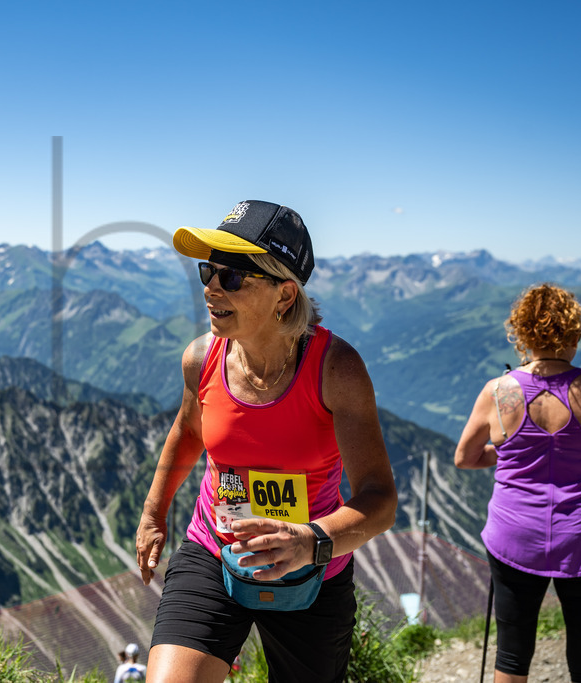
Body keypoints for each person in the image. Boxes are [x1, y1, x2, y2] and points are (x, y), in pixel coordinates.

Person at [135, 200, 398, 683]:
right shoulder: (201, 359)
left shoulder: (336, 370)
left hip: (313, 571)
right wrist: (154, 513)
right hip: (214, 550)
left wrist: (312, 541)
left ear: (284, 295)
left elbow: (380, 501)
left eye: (232, 277)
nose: (212, 288)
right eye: (208, 272)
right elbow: (190, 431)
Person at [455, 283, 581, 683]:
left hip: (515, 535)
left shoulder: (499, 392)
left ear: (522, 334)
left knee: (511, 655)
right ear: (575, 333)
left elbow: (465, 457)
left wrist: (509, 452)